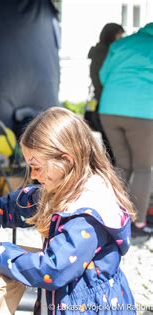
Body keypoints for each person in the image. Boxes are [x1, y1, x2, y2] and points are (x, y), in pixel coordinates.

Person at [0, 107, 136, 313]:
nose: (33, 175)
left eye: (37, 166)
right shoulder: (59, 189)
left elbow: (53, 269)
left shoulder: (87, 213)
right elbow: (6, 208)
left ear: (66, 160)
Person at [99, 22, 153, 238]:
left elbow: (104, 76)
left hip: (110, 109)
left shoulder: (123, 44)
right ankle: (137, 223)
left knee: (123, 164)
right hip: (142, 111)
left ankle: (112, 217)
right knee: (142, 168)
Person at [86, 23, 124, 162]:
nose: (122, 39)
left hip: (102, 102)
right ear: (112, 35)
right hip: (106, 103)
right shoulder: (106, 53)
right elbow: (100, 79)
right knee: (112, 148)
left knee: (110, 146)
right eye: (120, 35)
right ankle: (113, 176)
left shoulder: (101, 52)